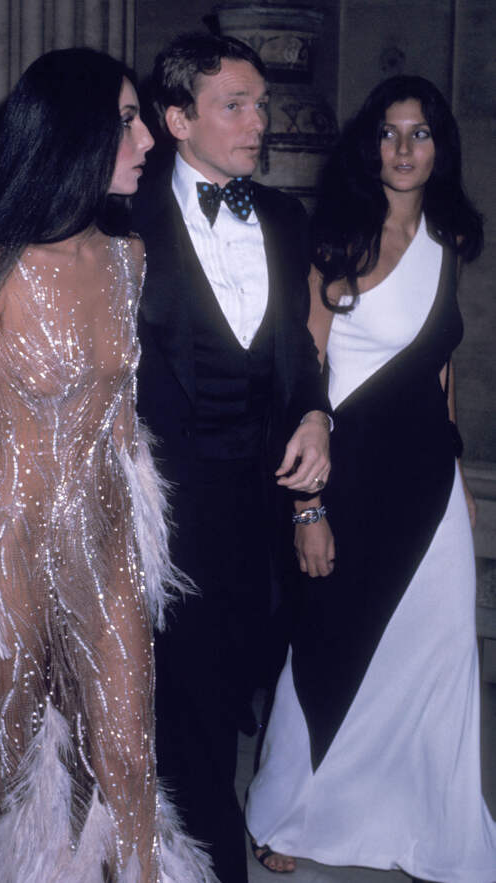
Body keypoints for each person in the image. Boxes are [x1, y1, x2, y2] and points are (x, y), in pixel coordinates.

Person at [0, 48, 216, 882]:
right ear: (77, 133)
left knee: (129, 763)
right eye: (128, 120)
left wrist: (141, 539)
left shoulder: (128, 257)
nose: (147, 139)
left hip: (106, 543)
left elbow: (125, 425)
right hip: (8, 552)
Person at [246, 75, 496, 881]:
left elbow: (440, 371)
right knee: (326, 645)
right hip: (346, 479)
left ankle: (429, 822)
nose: (404, 148)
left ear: (440, 146)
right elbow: (303, 376)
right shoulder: (337, 241)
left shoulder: (449, 242)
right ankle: (289, 811)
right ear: (370, 144)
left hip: (427, 482)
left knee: (440, 649)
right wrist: (307, 506)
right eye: (389, 132)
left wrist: (456, 476)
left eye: (420, 133)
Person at [133, 32, 331, 883]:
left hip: (257, 499)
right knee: (190, 705)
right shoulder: (121, 216)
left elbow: (297, 350)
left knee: (239, 675)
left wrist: (315, 415)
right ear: (179, 119)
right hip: (160, 503)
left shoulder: (283, 218)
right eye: (235, 106)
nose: (260, 123)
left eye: (261, 105)